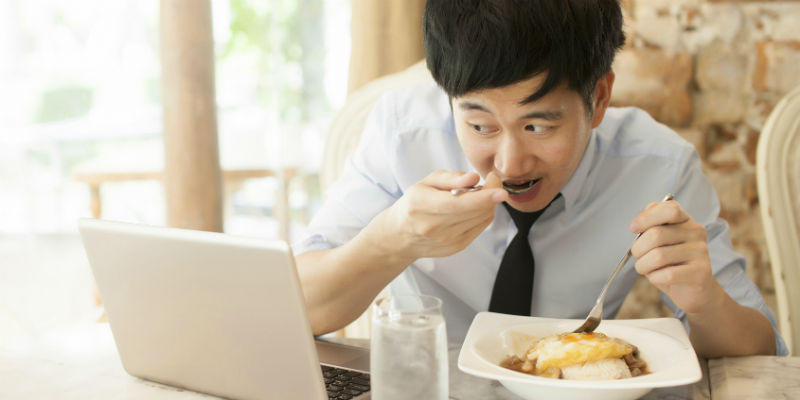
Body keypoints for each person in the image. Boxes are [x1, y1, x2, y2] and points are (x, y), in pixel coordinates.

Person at [293, 0, 787, 357]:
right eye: (480, 125)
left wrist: (704, 300)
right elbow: (297, 309)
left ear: (598, 98)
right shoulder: (402, 133)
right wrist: (393, 239)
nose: (509, 164)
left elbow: (761, 351)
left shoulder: (659, 167)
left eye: (538, 126)